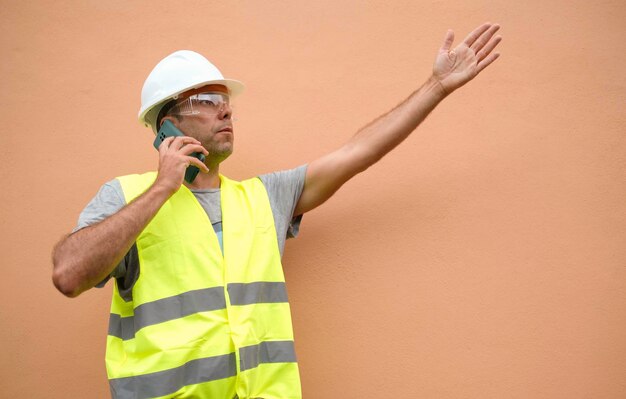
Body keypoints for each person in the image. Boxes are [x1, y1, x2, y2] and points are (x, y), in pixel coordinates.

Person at [52, 22, 502, 399]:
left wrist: (436, 87)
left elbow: (356, 151)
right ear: (167, 123)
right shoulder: (125, 196)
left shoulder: (264, 197)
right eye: (206, 101)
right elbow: (69, 275)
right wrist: (162, 188)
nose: (225, 109)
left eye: (225, 100)